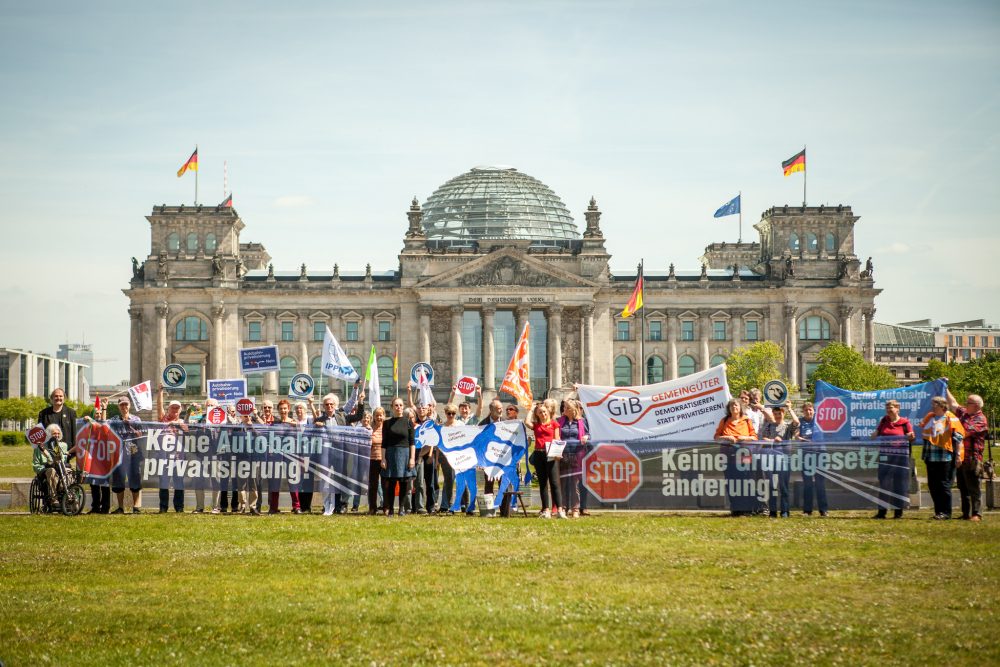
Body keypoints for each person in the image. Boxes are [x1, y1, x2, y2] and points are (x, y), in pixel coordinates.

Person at [314, 391, 365, 514]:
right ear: (324, 406)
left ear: (335, 405)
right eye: (327, 405)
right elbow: (312, 432)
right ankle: (328, 504)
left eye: (331, 404)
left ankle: (342, 504)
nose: (329, 407)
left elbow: (358, 416)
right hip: (326, 453)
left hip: (342, 452)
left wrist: (361, 402)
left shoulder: (342, 416)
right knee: (326, 479)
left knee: (341, 479)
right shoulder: (320, 419)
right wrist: (316, 425)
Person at [944, 388, 989, 522]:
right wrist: (944, 387)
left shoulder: (980, 420)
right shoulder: (964, 413)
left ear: (975, 406)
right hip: (961, 457)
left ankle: (977, 514)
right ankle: (966, 513)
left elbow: (963, 432)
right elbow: (953, 404)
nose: (965, 404)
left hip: (972, 458)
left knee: (974, 487)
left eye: (968, 402)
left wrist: (948, 429)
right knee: (963, 487)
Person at [920, 396, 966, 520]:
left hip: (945, 457)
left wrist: (957, 456)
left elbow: (958, 439)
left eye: (934, 404)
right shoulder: (930, 417)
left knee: (943, 485)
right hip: (930, 456)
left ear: (941, 406)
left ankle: (946, 512)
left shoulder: (951, 418)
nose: (932, 407)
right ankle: (938, 511)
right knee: (932, 485)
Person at [871, 399, 915, 519]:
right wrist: (873, 435)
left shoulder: (905, 423)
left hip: (900, 458)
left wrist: (910, 436)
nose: (889, 410)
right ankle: (882, 512)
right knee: (884, 484)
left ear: (897, 409)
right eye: (887, 408)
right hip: (885, 457)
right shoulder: (884, 421)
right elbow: (876, 433)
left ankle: (898, 512)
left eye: (891, 408)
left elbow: (912, 437)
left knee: (899, 485)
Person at [715, 398, 758, 516]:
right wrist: (726, 438)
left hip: (744, 456)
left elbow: (754, 437)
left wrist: (744, 438)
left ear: (740, 408)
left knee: (745, 482)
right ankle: (735, 509)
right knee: (731, 482)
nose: (734, 407)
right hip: (728, 456)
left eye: (736, 405)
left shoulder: (746, 421)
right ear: (729, 408)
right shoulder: (724, 421)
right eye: (732, 405)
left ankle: (747, 509)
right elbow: (716, 437)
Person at [37, 388, 80, 502]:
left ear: (64, 398)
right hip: (49, 452)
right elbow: (39, 434)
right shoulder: (44, 414)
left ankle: (66, 499)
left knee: (68, 474)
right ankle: (52, 498)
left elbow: (75, 432)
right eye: (56, 396)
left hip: (67, 451)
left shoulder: (71, 413)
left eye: (60, 396)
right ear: (51, 399)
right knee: (53, 472)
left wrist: (72, 450)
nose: (58, 398)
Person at [758, 403, 798, 518]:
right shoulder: (769, 426)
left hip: (784, 459)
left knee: (784, 486)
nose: (777, 416)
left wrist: (790, 408)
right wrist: (772, 440)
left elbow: (796, 422)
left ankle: (785, 511)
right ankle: (773, 511)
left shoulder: (787, 426)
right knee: (771, 486)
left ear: (783, 414)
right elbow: (763, 438)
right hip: (770, 459)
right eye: (775, 414)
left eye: (779, 413)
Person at [528, 402, 564, 519]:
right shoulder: (536, 425)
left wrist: (558, 453)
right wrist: (531, 409)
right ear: (537, 414)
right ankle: (546, 510)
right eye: (540, 412)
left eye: (544, 411)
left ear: (548, 412)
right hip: (539, 454)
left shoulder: (554, 424)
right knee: (543, 483)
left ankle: (559, 509)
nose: (543, 414)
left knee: (555, 483)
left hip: (551, 454)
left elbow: (557, 439)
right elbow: (526, 422)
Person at [108, 396, 144, 514]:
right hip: (118, 454)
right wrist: (103, 409)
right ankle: (120, 507)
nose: (124, 407)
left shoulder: (136, 419)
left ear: (129, 405)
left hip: (133, 453)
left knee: (135, 479)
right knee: (119, 481)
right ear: (118, 406)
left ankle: (136, 507)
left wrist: (130, 425)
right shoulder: (114, 419)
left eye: (126, 404)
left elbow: (140, 435)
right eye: (122, 405)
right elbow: (104, 425)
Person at [156, 387, 189, 513]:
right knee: (164, 482)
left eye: (177, 408)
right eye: (172, 407)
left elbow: (187, 432)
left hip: (178, 458)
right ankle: (163, 507)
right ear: (168, 409)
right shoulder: (163, 419)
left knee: (178, 482)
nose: (174, 410)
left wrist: (181, 426)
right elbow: (159, 407)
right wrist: (160, 393)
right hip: (164, 457)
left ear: (180, 410)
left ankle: (179, 507)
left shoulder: (182, 421)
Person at [381, 397, 415, 516]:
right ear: (392, 407)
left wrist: (412, 458)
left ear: (403, 407)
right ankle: (390, 509)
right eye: (396, 405)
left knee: (404, 483)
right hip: (391, 454)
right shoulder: (386, 423)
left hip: (405, 454)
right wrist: (383, 458)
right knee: (390, 483)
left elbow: (412, 442)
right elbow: (384, 442)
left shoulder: (408, 422)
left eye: (401, 405)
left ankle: (401, 508)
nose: (399, 407)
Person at [557, 400, 588, 518]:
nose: (564, 410)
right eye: (564, 407)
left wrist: (586, 436)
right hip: (563, 455)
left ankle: (575, 509)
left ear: (573, 410)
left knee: (575, 484)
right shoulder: (560, 421)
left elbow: (589, 434)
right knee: (563, 483)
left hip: (577, 455)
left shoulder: (582, 422)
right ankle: (564, 508)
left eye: (566, 408)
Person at [795, 402, 828, 517]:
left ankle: (823, 510)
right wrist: (802, 439)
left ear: (814, 410)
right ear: (803, 411)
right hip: (806, 454)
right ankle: (807, 510)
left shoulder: (819, 420)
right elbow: (797, 436)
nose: (808, 412)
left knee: (820, 483)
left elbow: (827, 433)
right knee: (807, 483)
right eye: (806, 410)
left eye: (810, 410)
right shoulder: (800, 421)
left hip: (820, 453)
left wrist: (807, 439)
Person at [33, 424, 69, 508]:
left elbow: (63, 460)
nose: (56, 435)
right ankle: (54, 498)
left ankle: (69, 495)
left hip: (59, 468)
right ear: (49, 434)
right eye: (54, 433)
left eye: (58, 433)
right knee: (51, 471)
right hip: (45, 471)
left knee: (70, 471)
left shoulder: (63, 445)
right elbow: (36, 465)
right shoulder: (40, 447)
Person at [366, 408, 385, 514]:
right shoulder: (370, 429)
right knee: (373, 485)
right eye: (377, 415)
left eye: (380, 415)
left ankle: (386, 506)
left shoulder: (387, 429)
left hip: (384, 460)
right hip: (372, 460)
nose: (379, 417)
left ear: (384, 416)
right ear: (374, 417)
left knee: (385, 484)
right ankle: (372, 508)